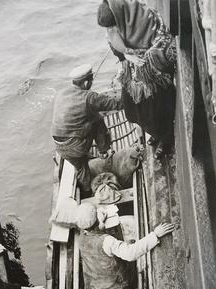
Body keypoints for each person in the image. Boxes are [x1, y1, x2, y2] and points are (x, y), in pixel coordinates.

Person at [97, 0, 176, 159]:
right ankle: (154, 132)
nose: (110, 32)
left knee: (155, 112)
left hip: (155, 79)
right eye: (109, 28)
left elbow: (166, 46)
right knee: (133, 110)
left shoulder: (147, 19)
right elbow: (115, 44)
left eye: (112, 27)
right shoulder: (118, 27)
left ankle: (166, 140)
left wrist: (144, 57)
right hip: (133, 78)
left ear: (120, 16)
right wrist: (125, 53)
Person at [51, 64, 123, 195]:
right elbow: (115, 104)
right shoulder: (89, 97)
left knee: (81, 166)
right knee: (98, 119)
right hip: (76, 147)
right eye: (91, 81)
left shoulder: (61, 93)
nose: (91, 83)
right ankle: (103, 152)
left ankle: (87, 191)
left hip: (60, 147)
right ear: (85, 83)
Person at [76, 203, 174, 289]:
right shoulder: (107, 241)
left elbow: (95, 233)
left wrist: (100, 220)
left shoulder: (81, 239)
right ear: (97, 221)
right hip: (119, 288)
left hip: (100, 288)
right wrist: (155, 235)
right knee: (132, 246)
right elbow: (131, 254)